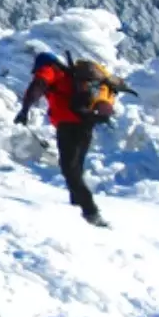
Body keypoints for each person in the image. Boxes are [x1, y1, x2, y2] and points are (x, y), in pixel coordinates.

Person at [14, 52, 134, 228]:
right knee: (75, 166)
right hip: (86, 122)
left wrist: (25, 109)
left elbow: (38, 85)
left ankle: (90, 211)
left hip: (69, 125)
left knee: (69, 168)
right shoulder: (70, 76)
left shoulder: (50, 70)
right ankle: (76, 205)